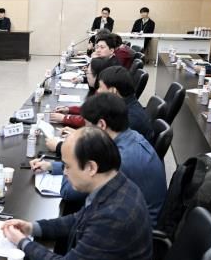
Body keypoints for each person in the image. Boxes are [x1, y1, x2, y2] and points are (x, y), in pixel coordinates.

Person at [3, 127, 155, 260]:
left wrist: (23, 243)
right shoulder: (116, 185)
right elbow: (77, 219)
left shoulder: (114, 216)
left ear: (91, 167)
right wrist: (32, 227)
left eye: (67, 166)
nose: (64, 172)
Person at [34, 93, 166, 226]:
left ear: (102, 125)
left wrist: (70, 151)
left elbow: (68, 192)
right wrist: (51, 166)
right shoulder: (130, 136)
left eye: (86, 126)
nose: (84, 131)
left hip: (131, 229)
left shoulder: (118, 159)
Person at [49, 57, 114, 128]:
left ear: (96, 75)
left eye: (88, 72)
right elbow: (88, 110)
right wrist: (69, 109)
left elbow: (88, 120)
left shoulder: (103, 94)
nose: (86, 75)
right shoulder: (100, 90)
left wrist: (65, 118)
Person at [97, 66, 154, 143]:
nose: (98, 91)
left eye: (100, 87)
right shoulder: (126, 105)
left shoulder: (128, 120)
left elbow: (107, 145)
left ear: (113, 91)